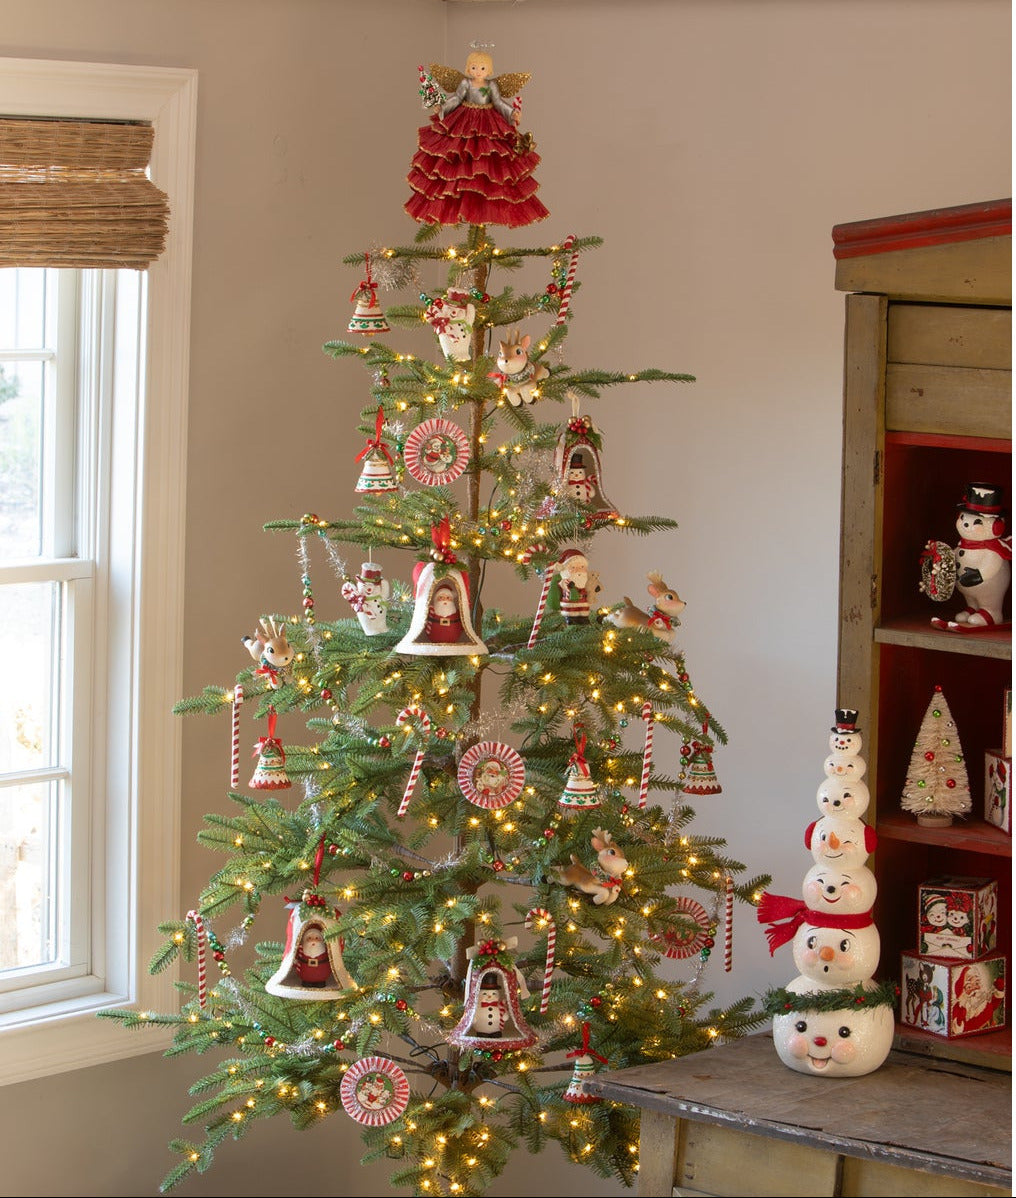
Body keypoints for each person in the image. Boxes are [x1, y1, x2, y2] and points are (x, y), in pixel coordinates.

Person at [406, 51, 549, 229]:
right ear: (468, 68)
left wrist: (512, 114)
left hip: (489, 122)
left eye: (482, 68)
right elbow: (457, 99)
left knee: (487, 157)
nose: (478, 71)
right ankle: (463, 198)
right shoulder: (465, 83)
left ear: (489, 70)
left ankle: (480, 202)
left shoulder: (491, 86)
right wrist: (442, 108)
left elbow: (498, 103)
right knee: (461, 153)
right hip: (463, 120)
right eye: (474, 67)